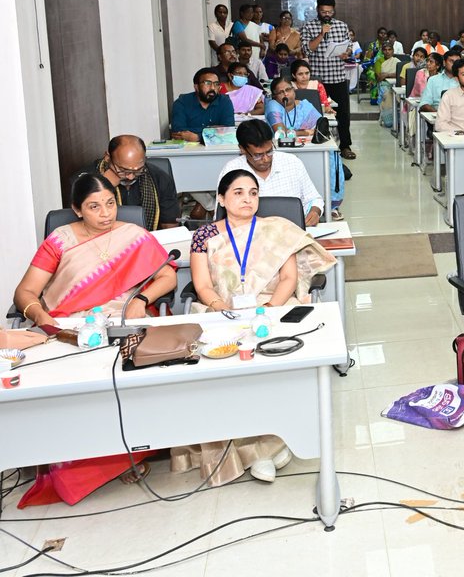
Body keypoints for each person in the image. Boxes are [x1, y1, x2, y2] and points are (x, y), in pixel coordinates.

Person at [13, 173, 178, 505]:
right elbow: (25, 292)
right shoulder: (59, 240)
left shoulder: (133, 234)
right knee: (69, 386)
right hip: (68, 327)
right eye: (94, 207)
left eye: (110, 204)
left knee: (135, 376)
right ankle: (77, 464)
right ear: (77, 210)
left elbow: (167, 275)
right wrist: (42, 318)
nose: (105, 214)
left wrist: (140, 300)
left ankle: (131, 451)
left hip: (122, 320)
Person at [179, 168, 335, 484]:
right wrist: (225, 310)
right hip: (221, 311)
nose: (248, 199)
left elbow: (289, 279)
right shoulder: (204, 236)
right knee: (214, 366)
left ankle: (274, 441)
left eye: (253, 193)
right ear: (221, 199)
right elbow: (203, 285)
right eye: (238, 193)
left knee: (276, 358)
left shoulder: (277, 229)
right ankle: (257, 449)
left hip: (274, 307)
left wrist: (268, 310)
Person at [217, 120, 325, 226]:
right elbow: (220, 213)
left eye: (269, 151)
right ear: (242, 149)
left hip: (292, 233)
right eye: (258, 155)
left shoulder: (292, 163)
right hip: (247, 236)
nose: (266, 159)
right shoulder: (231, 171)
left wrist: (315, 212)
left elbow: (314, 199)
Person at [299, 0, 356, 160]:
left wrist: (346, 53)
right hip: (318, 80)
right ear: (318, 10)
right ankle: (318, 145)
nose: (327, 15)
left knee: (343, 114)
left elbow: (349, 46)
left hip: (338, 77)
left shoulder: (342, 26)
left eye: (330, 12)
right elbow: (308, 49)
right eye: (324, 11)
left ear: (334, 11)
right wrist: (322, 34)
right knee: (316, 114)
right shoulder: (309, 27)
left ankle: (345, 146)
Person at [86, 135, 181, 230]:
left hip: (148, 239)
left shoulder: (159, 177)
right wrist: (103, 186)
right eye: (123, 170)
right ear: (108, 158)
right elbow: (85, 224)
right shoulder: (86, 181)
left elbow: (170, 225)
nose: (130, 177)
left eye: (138, 170)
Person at [171, 68, 234, 141]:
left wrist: (199, 137)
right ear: (196, 87)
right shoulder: (182, 103)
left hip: (216, 148)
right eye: (207, 83)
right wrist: (214, 130)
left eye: (216, 84)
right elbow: (178, 132)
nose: (212, 88)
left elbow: (228, 131)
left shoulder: (224, 102)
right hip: (187, 150)